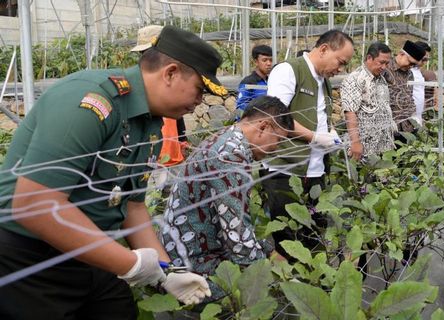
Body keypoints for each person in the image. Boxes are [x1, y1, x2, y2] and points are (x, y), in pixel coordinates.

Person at [0, 26, 227, 319]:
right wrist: (129, 264)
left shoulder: (150, 123)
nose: (199, 103)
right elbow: (35, 205)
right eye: (200, 89)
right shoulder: (90, 102)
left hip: (90, 252)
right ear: (170, 73)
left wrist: (164, 272)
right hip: (28, 260)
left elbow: (132, 207)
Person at [160, 95, 293, 301]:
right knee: (264, 296)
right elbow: (237, 237)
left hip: (191, 247)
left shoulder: (229, 138)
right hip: (191, 264)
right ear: (264, 127)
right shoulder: (230, 156)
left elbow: (236, 219)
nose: (276, 148)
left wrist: (268, 250)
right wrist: (280, 276)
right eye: (278, 140)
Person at [261, 30, 355, 259]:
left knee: (314, 232)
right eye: (340, 62)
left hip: (314, 170)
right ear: (323, 49)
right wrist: (314, 137)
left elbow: (320, 115)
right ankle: (287, 287)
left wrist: (329, 133)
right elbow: (276, 117)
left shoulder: (324, 82)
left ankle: (311, 282)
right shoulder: (289, 70)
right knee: (287, 237)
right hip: (285, 168)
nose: (340, 69)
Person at [131, 24, 189, 167]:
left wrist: (182, 138)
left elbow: (177, 111)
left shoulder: (173, 76)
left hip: (170, 149)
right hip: (146, 152)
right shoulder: (136, 81)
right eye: (143, 53)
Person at [341, 41, 396, 162]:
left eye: (387, 63)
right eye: (381, 62)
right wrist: (355, 143)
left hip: (383, 147)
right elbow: (350, 112)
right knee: (364, 179)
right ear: (369, 58)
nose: (384, 67)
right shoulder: (355, 79)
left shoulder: (381, 79)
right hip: (364, 149)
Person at [383, 40, 426, 142]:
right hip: (387, 127)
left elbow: (409, 96)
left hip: (406, 127)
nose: (410, 66)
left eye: (414, 65)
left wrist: (415, 118)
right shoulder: (385, 69)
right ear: (401, 54)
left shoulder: (409, 74)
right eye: (410, 62)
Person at [235, 45, 273, 117]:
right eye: (264, 60)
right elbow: (240, 106)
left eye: (270, 60)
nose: (269, 63)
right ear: (256, 62)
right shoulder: (248, 82)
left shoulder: (272, 81)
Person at [411, 41, 433, 126]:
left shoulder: (418, 71)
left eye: (427, 59)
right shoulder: (407, 72)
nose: (425, 62)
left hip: (417, 116)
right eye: (424, 59)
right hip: (409, 117)